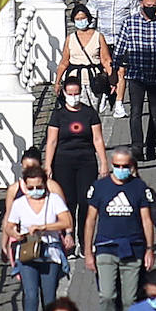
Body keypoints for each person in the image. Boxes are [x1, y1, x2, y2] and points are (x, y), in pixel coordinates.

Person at [83, 149, 156, 311]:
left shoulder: (139, 188)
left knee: (130, 299)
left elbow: (146, 220)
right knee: (107, 295)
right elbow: (90, 220)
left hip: (133, 249)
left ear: (131, 166)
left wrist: (149, 248)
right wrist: (88, 252)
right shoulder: (100, 187)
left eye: (126, 166)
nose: (121, 170)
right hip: (106, 248)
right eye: (118, 165)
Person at [3, 165, 71, 311]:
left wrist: (45, 227)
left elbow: (67, 221)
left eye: (39, 187)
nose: (35, 192)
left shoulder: (54, 200)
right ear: (25, 186)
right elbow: (9, 225)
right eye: (31, 187)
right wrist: (15, 233)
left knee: (48, 297)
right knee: (30, 295)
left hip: (49, 253)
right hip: (28, 253)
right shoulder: (20, 204)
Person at [114, 0, 156, 164]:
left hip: (155, 75)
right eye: (148, 5)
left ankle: (151, 146)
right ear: (142, 3)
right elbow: (119, 48)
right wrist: (115, 69)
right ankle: (137, 147)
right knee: (136, 112)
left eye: (154, 6)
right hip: (136, 75)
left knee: (155, 113)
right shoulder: (129, 23)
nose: (151, 8)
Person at [44, 76, 107, 255]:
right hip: (63, 163)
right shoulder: (58, 115)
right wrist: (47, 165)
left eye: (76, 93)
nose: (73, 97)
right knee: (67, 202)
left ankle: (84, 242)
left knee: (85, 202)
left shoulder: (89, 113)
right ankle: (67, 242)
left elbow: (97, 139)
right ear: (64, 93)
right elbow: (52, 141)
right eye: (70, 93)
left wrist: (104, 163)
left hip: (86, 162)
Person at [55, 3, 114, 111]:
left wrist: (112, 81)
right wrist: (57, 82)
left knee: (93, 112)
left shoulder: (98, 36)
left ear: (88, 18)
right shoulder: (70, 38)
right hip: (75, 80)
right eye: (77, 19)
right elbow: (64, 62)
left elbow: (106, 60)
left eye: (83, 18)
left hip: (94, 80)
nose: (80, 21)